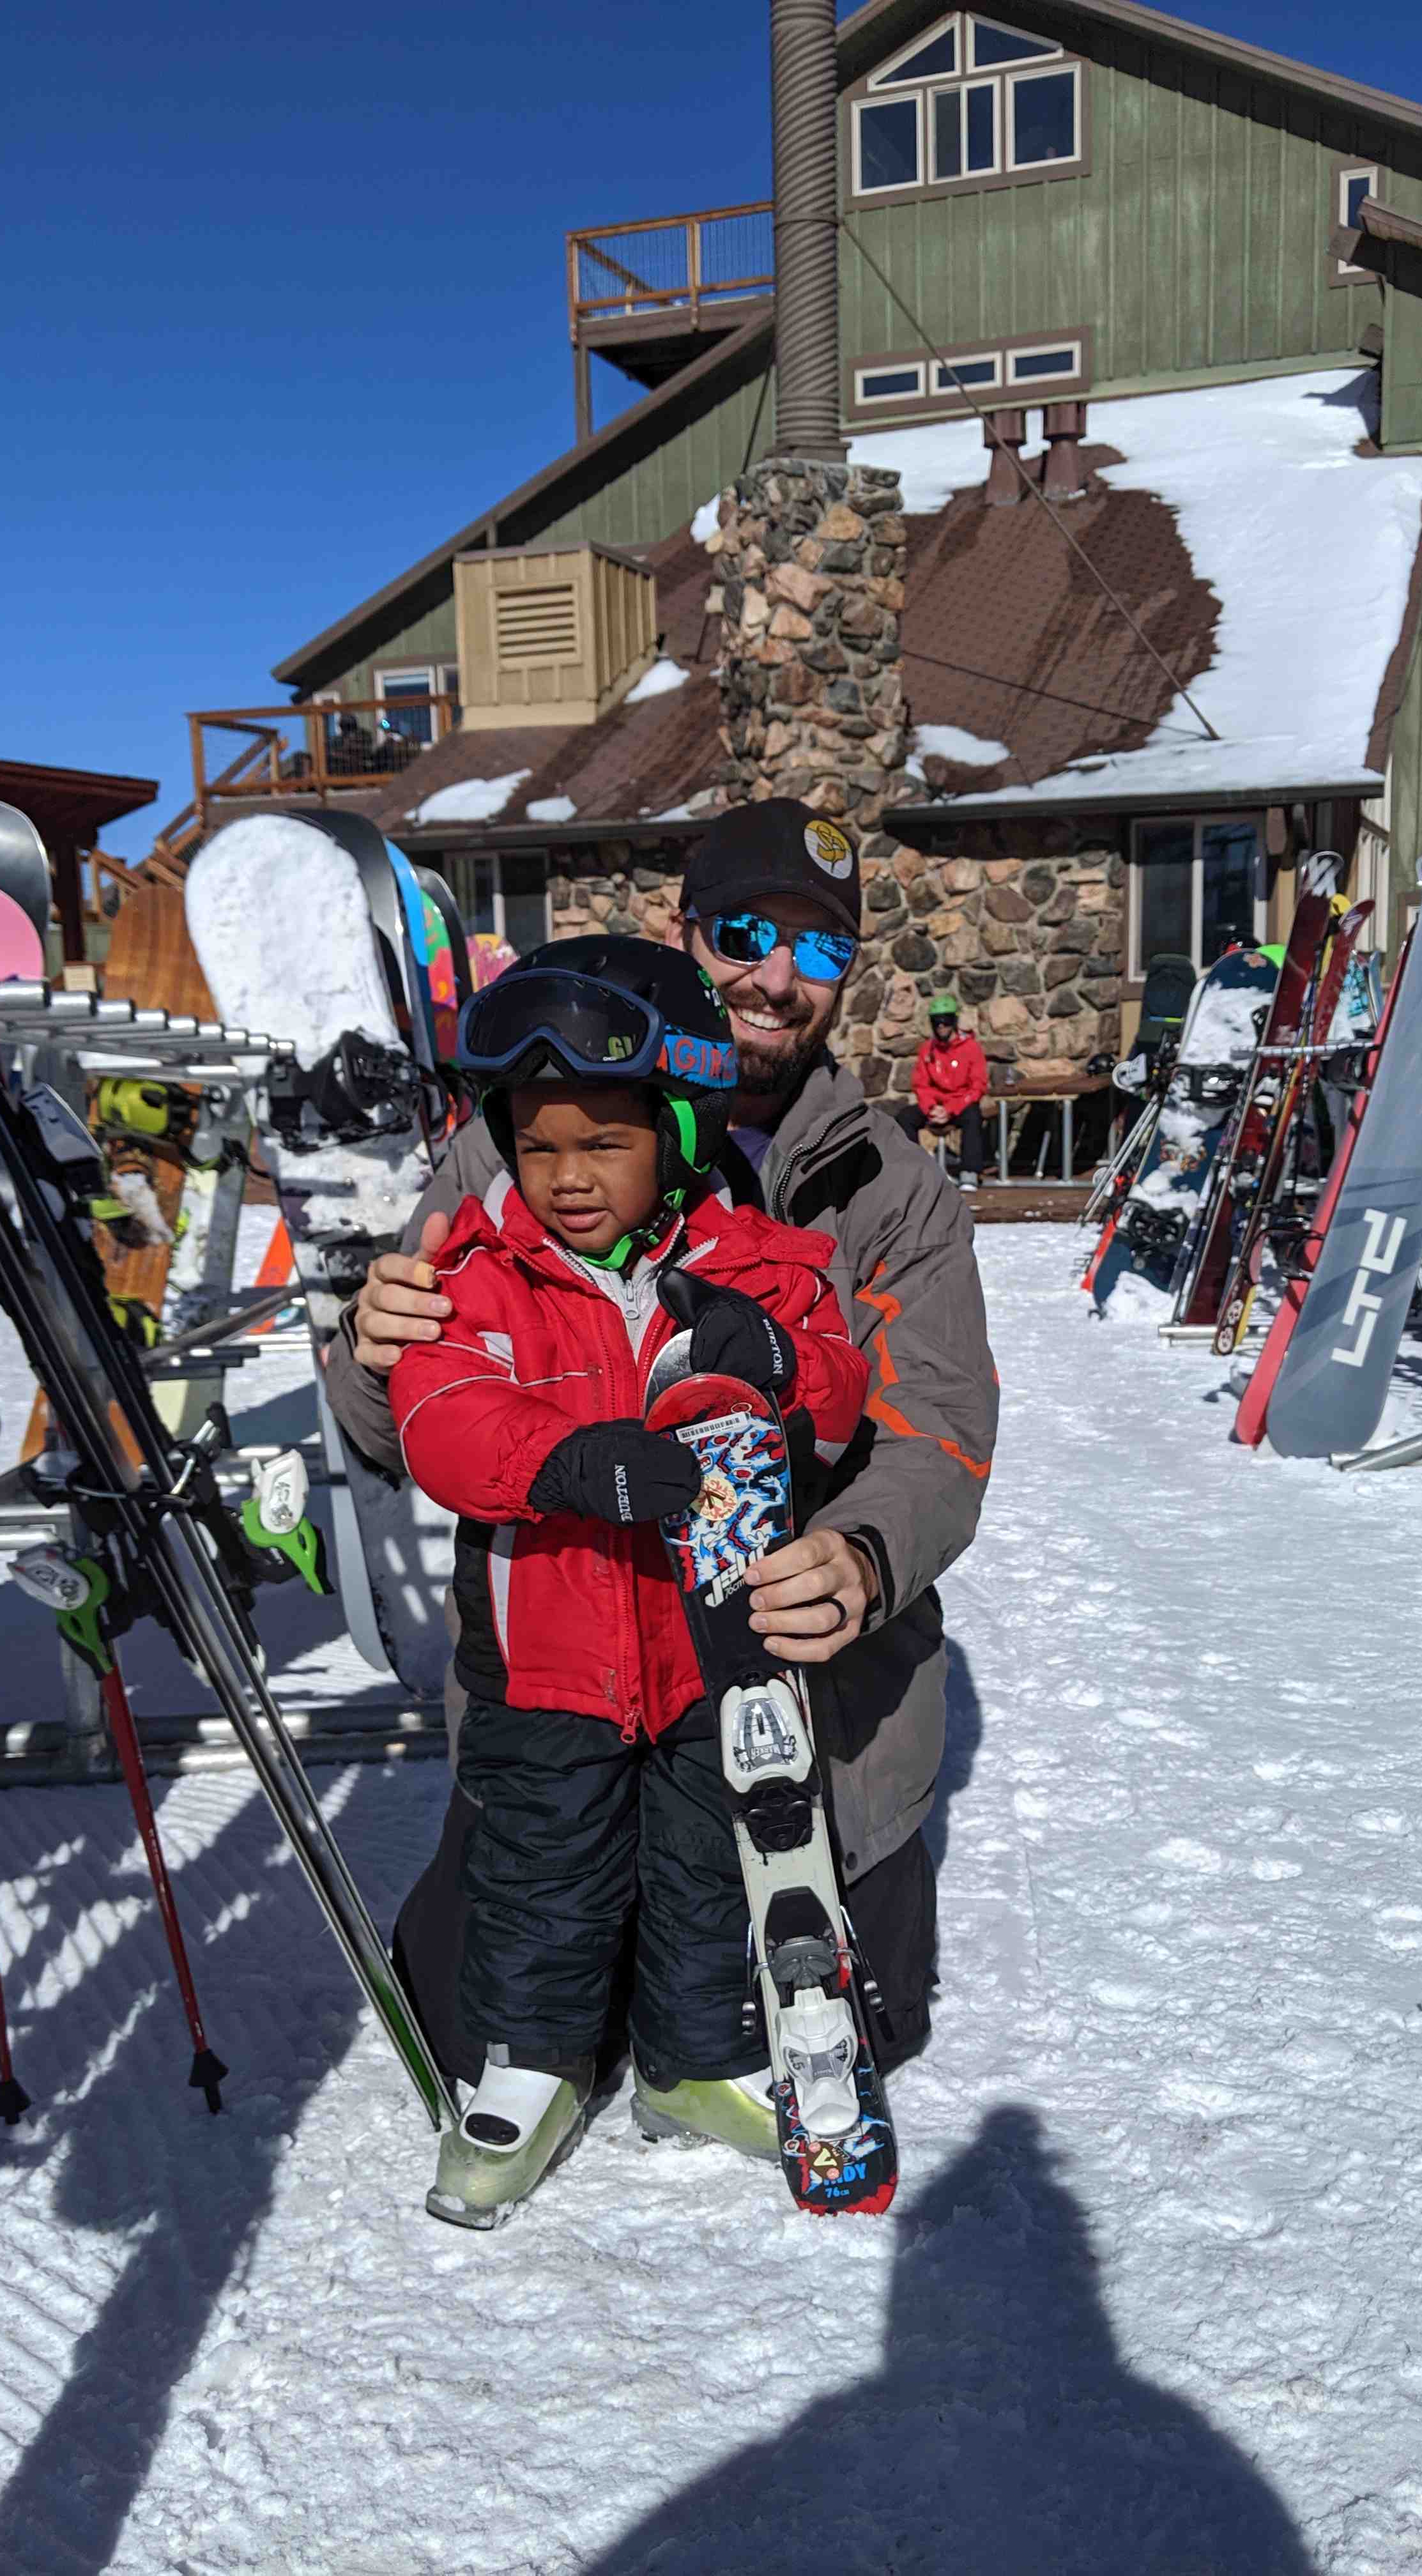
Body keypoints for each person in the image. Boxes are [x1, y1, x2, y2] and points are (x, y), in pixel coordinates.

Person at [326, 797, 1000, 2158]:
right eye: (744, 933)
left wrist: (863, 1555)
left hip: (789, 1692)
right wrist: (366, 1345)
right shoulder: (522, 1127)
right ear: (684, 935)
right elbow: (403, 1429)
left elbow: (936, 1428)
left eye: (818, 949)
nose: (776, 976)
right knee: (489, 2014)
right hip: (567, 1670)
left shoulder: (890, 1189)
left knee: (849, 2024)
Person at [387, 936, 869, 2224]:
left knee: (707, 1868)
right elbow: (438, 1415)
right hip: (546, 1666)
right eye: (536, 1145)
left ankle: (694, 2062)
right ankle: (530, 2068)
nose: (566, 1176)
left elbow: (838, 1396)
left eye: (603, 1143)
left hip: (710, 1656)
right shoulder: (479, 1277)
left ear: (678, 1131)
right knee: (542, 1874)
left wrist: (775, 1359)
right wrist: (563, 1462)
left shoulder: (756, 1264)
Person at [898, 993, 988, 1190]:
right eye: (936, 1022)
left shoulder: (971, 1048)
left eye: (946, 1021)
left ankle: (969, 1172)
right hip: (935, 1106)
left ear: (954, 1021)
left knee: (973, 1115)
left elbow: (978, 1086)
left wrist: (950, 1109)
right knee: (905, 1117)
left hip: (960, 1104)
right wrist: (931, 1108)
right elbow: (921, 1084)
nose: (941, 1026)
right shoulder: (927, 1050)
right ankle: (915, 1172)